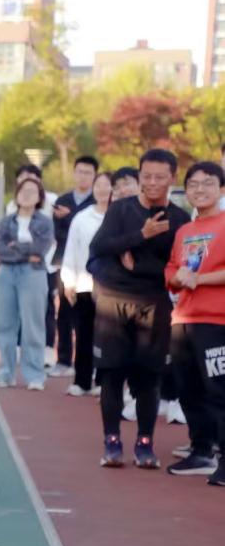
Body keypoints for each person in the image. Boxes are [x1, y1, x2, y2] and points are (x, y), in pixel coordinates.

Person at [90, 149, 190, 468]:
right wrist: (139, 236)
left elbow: (176, 266)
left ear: (172, 178)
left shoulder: (180, 219)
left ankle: (145, 443)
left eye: (160, 177)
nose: (152, 182)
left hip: (154, 304)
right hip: (114, 301)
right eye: (146, 176)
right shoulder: (121, 209)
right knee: (111, 374)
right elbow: (99, 247)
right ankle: (112, 441)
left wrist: (139, 262)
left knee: (149, 376)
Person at [164, 162, 225, 482]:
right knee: (188, 390)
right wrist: (179, 278)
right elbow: (172, 270)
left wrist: (198, 279)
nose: (200, 189)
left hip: (216, 320)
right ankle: (201, 450)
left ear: (221, 189)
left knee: (219, 391)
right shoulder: (184, 231)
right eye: (193, 184)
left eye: (208, 183)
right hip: (183, 319)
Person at [0, 176, 54, 390]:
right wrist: (25, 251)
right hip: (6, 273)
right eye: (23, 191)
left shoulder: (45, 222)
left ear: (39, 197)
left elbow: (40, 249)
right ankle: (6, 373)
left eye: (32, 191)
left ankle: (35, 375)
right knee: (5, 324)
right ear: (16, 195)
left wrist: (14, 246)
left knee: (32, 325)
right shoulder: (6, 222)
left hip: (33, 274)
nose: (26, 195)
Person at [61, 171, 113, 397]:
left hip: (112, 288)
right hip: (84, 285)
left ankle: (102, 380)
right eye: (98, 185)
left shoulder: (118, 216)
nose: (102, 190)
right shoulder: (81, 218)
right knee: (84, 334)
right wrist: (68, 281)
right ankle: (82, 381)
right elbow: (71, 250)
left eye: (107, 185)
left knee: (108, 337)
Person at [48, 156, 99, 378]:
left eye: (88, 172)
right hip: (66, 263)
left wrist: (70, 218)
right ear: (74, 173)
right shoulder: (63, 199)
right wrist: (71, 220)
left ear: (95, 176)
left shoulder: (98, 201)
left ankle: (91, 363)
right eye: (80, 171)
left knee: (91, 316)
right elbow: (59, 233)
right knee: (65, 312)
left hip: (92, 267)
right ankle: (64, 360)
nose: (83, 176)